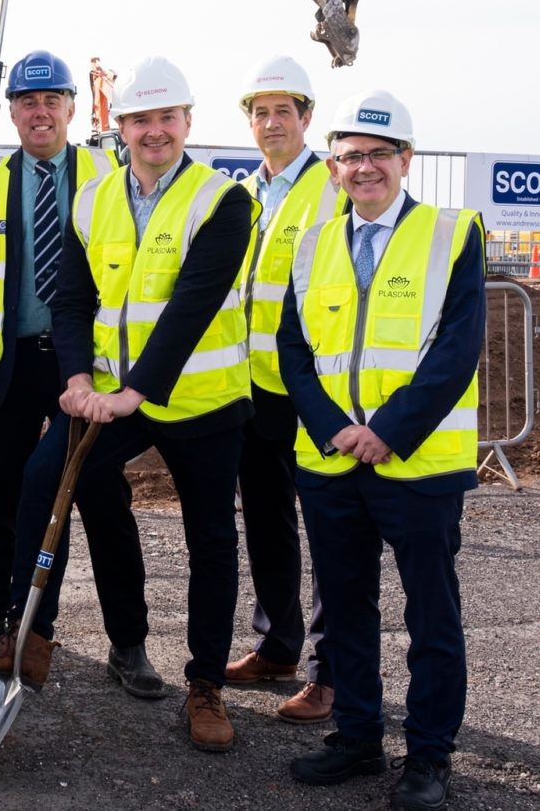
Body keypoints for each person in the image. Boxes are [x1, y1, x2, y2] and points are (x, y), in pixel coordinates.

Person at [0, 57, 255, 752]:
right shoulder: (97, 198)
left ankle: (205, 685)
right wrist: (80, 379)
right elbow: (74, 300)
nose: (153, 131)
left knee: (210, 541)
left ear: (187, 122)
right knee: (40, 478)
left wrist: (132, 391)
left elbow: (191, 308)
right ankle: (28, 639)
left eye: (166, 118)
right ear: (121, 126)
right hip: (112, 391)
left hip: (201, 400)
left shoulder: (222, 201)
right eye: (140, 120)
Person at [279, 90, 485, 810]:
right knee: (345, 609)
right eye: (350, 157)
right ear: (332, 167)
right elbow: (294, 352)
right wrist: (336, 428)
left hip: (417, 465)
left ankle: (429, 756)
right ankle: (358, 738)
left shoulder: (452, 234)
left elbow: (456, 349)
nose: (364, 168)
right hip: (332, 462)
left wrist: (389, 431)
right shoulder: (312, 244)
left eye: (378, 155)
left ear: (406, 160)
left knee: (431, 616)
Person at [0, 50, 161, 698]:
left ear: (71, 107)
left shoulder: (109, 174)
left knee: (103, 502)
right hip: (7, 366)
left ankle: (129, 644)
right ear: (11, 112)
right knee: (0, 499)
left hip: (84, 368)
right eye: (27, 102)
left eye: (51, 101)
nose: (39, 112)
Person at [225, 56, 343, 723]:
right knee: (267, 520)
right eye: (260, 113)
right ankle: (277, 647)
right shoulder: (244, 194)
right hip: (253, 388)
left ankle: (331, 673)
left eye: (283, 112)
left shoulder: (333, 188)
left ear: (307, 118)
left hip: (315, 389)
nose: (271, 123)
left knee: (329, 531)